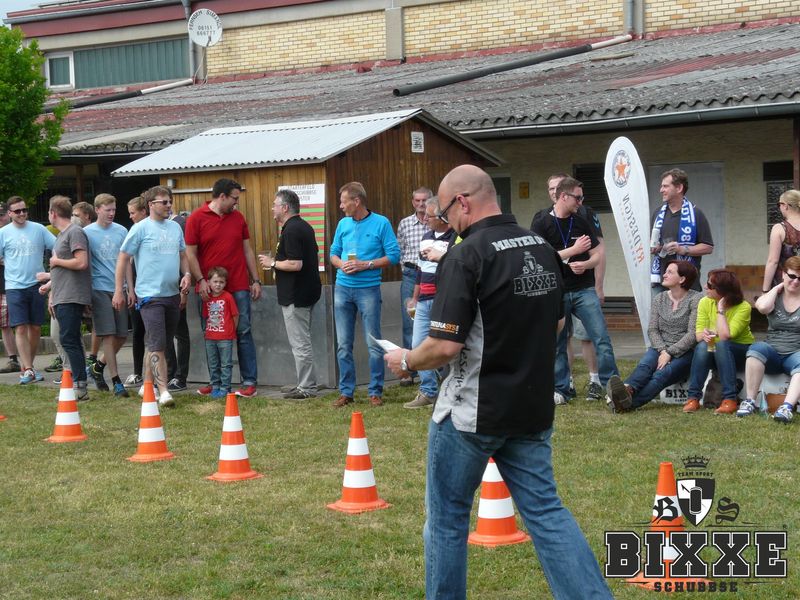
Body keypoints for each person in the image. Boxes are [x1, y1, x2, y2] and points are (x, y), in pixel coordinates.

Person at [384, 165, 612, 600]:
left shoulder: (464, 256)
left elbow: (444, 345)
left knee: (447, 521)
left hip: (472, 413)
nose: (446, 223)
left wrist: (407, 359)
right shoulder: (542, 248)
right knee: (546, 513)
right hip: (531, 408)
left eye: (444, 214)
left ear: (463, 202)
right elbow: (556, 323)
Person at [531, 176, 619, 405]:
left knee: (601, 338)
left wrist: (587, 264)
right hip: (557, 290)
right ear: (563, 196)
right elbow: (540, 258)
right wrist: (573, 250)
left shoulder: (581, 220)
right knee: (558, 342)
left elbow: (597, 254)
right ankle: (561, 389)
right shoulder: (541, 222)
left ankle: (612, 387)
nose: (581, 202)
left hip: (584, 290)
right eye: (577, 198)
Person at [114, 186, 191, 407]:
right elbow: (123, 259)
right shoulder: (140, 228)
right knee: (158, 345)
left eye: (170, 201)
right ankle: (163, 390)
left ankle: (147, 385)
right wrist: (120, 289)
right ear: (151, 205)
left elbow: (183, 255)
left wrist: (186, 275)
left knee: (160, 344)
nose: (168, 205)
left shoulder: (175, 228)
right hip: (150, 296)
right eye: (164, 202)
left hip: (172, 294)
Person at [185, 178, 262, 398]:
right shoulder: (196, 218)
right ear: (222, 196)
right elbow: (190, 253)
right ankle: (216, 382)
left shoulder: (238, 218)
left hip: (238, 286)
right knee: (212, 334)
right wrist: (200, 280)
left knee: (243, 331)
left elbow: (247, 250)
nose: (237, 202)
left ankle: (249, 382)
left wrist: (255, 279)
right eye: (234, 198)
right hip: (209, 289)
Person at [330, 181, 400, 408]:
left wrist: (366, 264)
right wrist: (341, 265)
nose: (341, 206)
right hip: (342, 288)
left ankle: (375, 391)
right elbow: (333, 253)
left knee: (373, 343)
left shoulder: (381, 223)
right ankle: (346, 392)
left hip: (368, 289)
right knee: (343, 344)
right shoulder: (343, 224)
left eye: (344, 202)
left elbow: (394, 255)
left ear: (357, 201)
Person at [606, 261, 702, 412]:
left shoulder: (696, 299)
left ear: (682, 279)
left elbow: (692, 334)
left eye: (670, 272)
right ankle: (627, 389)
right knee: (645, 366)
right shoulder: (659, 298)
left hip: (685, 352)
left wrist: (670, 353)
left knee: (661, 375)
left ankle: (627, 403)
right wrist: (663, 351)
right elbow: (652, 329)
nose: (664, 274)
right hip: (659, 348)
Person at [259, 189, 321, 400]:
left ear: (285, 208)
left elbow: (296, 264)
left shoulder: (292, 230)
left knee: (300, 343)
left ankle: (307, 388)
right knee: (302, 342)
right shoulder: (303, 226)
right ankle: (304, 383)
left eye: (275, 205)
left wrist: (272, 263)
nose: (272, 209)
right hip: (305, 292)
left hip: (296, 295)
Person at [403, 195, 455, 409]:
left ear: (442, 217)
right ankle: (428, 391)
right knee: (418, 345)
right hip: (424, 300)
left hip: (443, 299)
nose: (424, 218)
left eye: (429, 215)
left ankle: (450, 390)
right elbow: (420, 270)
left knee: (446, 347)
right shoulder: (425, 237)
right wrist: (414, 298)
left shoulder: (456, 237)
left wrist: (441, 255)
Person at [0, 196, 56, 383]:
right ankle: (29, 369)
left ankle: (28, 366)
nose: (22, 213)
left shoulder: (39, 229)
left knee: (36, 327)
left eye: (24, 210)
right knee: (20, 327)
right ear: (10, 213)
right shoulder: (3, 233)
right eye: (17, 211)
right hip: (14, 286)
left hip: (36, 285)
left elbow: (57, 246)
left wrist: (53, 268)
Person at [682, 269, 754, 414]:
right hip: (714, 351)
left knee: (722, 344)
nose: (705, 287)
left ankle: (730, 399)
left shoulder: (743, 307)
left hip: (739, 353)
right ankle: (693, 398)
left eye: (710, 285)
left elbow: (726, 336)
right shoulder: (704, 302)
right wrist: (705, 335)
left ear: (722, 290)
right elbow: (698, 335)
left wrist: (720, 309)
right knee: (702, 346)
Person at [737, 255, 800, 422]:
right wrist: (778, 287)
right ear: (783, 274)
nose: (795, 281)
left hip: (795, 353)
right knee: (756, 348)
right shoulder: (775, 296)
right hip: (772, 351)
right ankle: (750, 401)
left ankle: (786, 408)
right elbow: (763, 307)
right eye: (792, 276)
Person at [84, 193, 132, 397]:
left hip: (119, 288)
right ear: (97, 210)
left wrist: (130, 288)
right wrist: (86, 293)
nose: (112, 213)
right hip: (99, 289)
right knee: (108, 336)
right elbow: (85, 264)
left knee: (122, 335)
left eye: (114, 209)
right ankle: (116, 381)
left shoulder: (121, 231)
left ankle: (97, 367)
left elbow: (126, 260)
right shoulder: (87, 232)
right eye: (107, 210)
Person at [46, 196, 92, 400]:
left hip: (72, 295)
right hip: (62, 294)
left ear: (53, 213)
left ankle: (80, 385)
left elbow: (81, 262)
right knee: (69, 338)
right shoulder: (62, 235)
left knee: (69, 339)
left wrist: (57, 261)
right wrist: (52, 292)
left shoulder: (75, 232)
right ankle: (79, 383)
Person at [650, 168, 713, 292]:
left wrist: (683, 249)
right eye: (661, 186)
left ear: (679, 188)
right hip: (661, 282)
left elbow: (708, 247)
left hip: (687, 283)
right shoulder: (658, 213)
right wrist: (655, 248)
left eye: (665, 186)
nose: (661, 190)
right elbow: (651, 243)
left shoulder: (696, 214)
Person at [396, 187, 432, 385]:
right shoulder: (405, 223)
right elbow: (399, 249)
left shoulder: (437, 221)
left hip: (432, 276)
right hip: (411, 275)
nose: (421, 204)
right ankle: (410, 370)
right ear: (412, 202)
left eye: (424, 200)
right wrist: (406, 267)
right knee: (409, 322)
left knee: (433, 322)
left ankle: (433, 368)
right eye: (417, 200)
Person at [201, 266, 239, 398]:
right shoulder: (207, 298)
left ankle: (225, 388)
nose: (218, 285)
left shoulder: (228, 297)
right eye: (215, 281)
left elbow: (235, 315)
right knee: (213, 364)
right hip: (210, 337)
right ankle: (215, 386)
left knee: (226, 364)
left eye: (221, 282)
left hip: (225, 337)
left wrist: (231, 331)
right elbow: (206, 317)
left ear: (225, 283)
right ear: (208, 282)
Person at [165, 208, 190, 393]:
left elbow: (184, 256)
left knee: (180, 334)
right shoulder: (146, 228)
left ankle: (180, 376)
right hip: (160, 292)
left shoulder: (178, 225)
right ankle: (169, 374)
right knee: (164, 335)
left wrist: (184, 291)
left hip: (177, 289)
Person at [123, 196, 147, 388]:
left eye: (133, 213)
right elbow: (127, 262)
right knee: (138, 331)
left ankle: (166, 373)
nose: (130, 217)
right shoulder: (134, 231)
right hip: (137, 288)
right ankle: (137, 371)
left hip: (153, 289)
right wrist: (131, 289)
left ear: (143, 212)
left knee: (157, 334)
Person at [762, 189, 800, 293]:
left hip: (785, 285)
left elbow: (773, 262)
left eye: (779, 204)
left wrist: (765, 290)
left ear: (785, 206)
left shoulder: (779, 229)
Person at [0, 201, 21, 374]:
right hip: (3, 284)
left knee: (22, 323)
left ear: (8, 214)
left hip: (15, 284)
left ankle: (24, 361)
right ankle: (13, 359)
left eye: (1, 215)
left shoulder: (16, 232)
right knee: (4, 324)